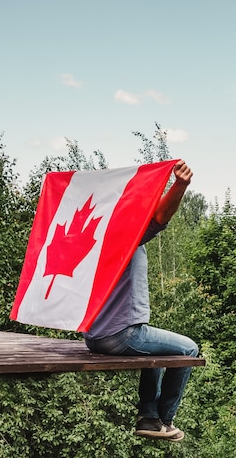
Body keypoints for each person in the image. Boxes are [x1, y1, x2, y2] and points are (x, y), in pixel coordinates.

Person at [83, 160, 199, 442]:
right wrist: (179, 185)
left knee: (159, 352)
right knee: (188, 349)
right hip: (121, 335)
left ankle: (148, 415)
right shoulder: (124, 237)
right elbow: (160, 217)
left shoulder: (94, 240)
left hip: (93, 336)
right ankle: (163, 419)